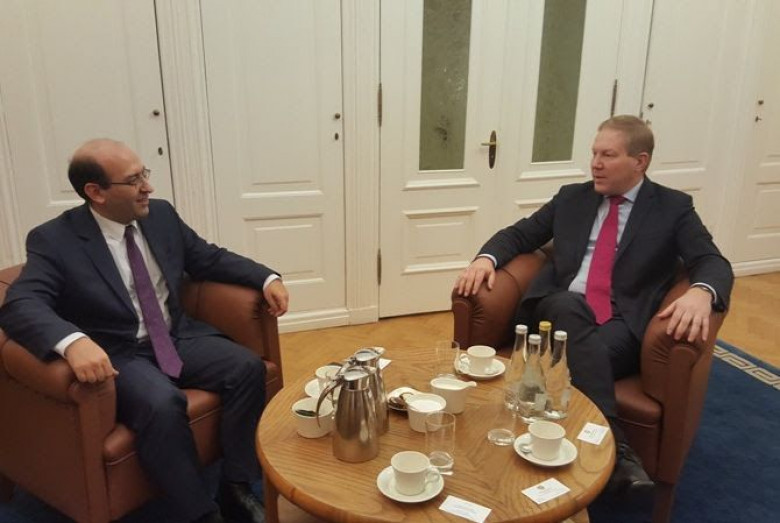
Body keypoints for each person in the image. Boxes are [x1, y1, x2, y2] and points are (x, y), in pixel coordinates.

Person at [0, 139, 290, 523]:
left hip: (174, 336)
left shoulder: (161, 214)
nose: (148, 187)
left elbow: (207, 257)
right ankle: (200, 514)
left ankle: (236, 485)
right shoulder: (55, 239)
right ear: (96, 192)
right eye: (134, 180)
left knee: (246, 369)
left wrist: (266, 277)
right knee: (162, 404)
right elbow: (20, 303)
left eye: (144, 174)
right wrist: (73, 342)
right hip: (118, 353)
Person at [455, 115, 733, 497]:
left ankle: (551, 455)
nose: (595, 164)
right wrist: (485, 259)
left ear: (640, 161)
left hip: (620, 323)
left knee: (586, 356)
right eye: (594, 153)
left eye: (608, 155)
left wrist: (702, 291)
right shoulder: (572, 198)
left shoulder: (673, 208)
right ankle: (617, 449)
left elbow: (712, 261)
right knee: (568, 305)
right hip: (555, 312)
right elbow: (519, 235)